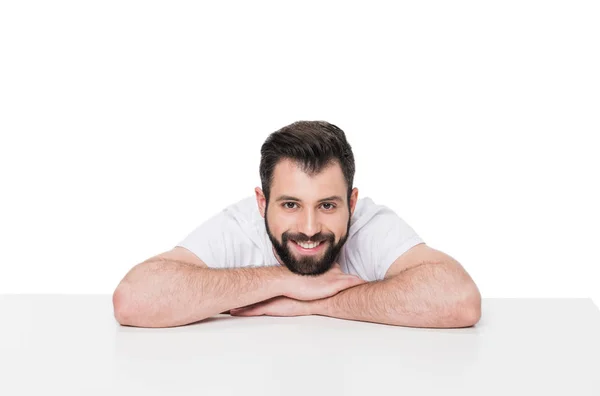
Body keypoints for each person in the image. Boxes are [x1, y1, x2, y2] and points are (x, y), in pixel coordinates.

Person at [112, 121, 481, 328]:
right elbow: (133, 300)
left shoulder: (369, 223)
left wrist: (314, 303)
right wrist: (284, 281)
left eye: (327, 205)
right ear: (262, 203)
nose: (309, 227)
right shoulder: (239, 224)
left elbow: (459, 300)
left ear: (351, 203)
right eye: (290, 204)